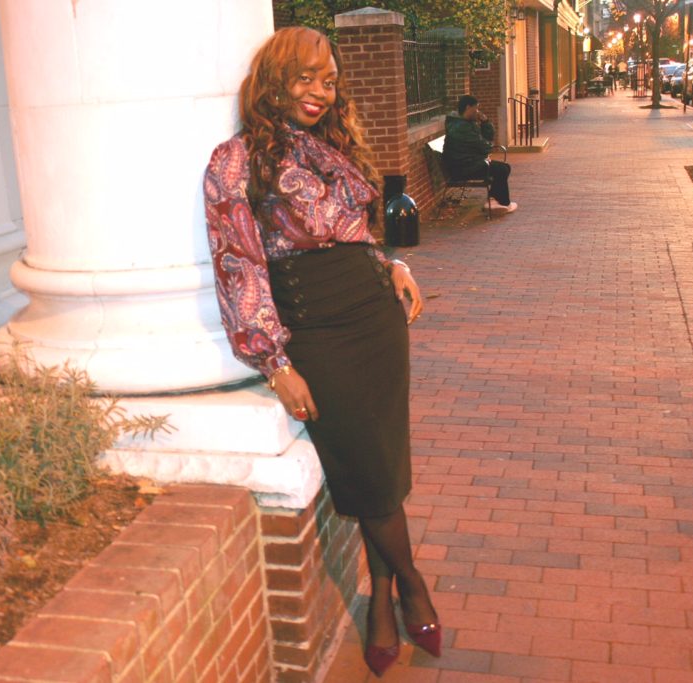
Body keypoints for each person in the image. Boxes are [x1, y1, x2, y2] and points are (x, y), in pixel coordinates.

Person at [203, 26, 440, 678]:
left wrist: (394, 264)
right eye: (306, 77)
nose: (319, 91)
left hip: (376, 315)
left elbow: (359, 230)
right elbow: (238, 267)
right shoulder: (235, 162)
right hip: (318, 331)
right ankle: (413, 582)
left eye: (328, 80)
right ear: (274, 78)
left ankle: (385, 607)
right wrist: (274, 363)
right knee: (366, 468)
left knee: (379, 467)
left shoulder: (330, 145)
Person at [442, 95, 517, 214]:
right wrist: (485, 148)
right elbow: (484, 146)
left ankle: (494, 200)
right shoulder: (460, 127)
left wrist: (485, 122)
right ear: (468, 107)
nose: (477, 112)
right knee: (501, 170)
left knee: (505, 167)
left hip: (469, 163)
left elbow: (487, 139)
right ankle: (501, 202)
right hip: (462, 168)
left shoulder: (467, 123)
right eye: (476, 108)